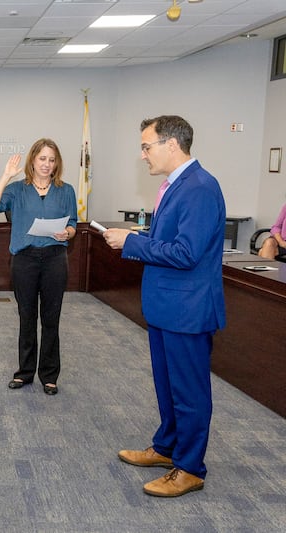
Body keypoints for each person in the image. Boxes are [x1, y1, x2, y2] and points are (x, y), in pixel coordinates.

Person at [103, 115, 225, 498]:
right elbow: (173, 241)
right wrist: (137, 238)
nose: (142, 155)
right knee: (168, 387)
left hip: (187, 311)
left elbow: (187, 253)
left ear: (172, 145)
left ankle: (189, 468)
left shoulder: (201, 188)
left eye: (146, 146)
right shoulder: (176, 186)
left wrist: (131, 242)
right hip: (167, 308)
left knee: (189, 393)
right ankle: (167, 448)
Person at [0, 140, 77, 396]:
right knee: (27, 318)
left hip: (56, 259)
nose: (47, 164)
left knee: (51, 319)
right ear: (33, 160)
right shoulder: (17, 189)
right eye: (42, 159)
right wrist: (5, 176)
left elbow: (74, 223)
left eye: (52, 160)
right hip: (24, 260)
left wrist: (67, 233)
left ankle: (49, 375)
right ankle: (24, 372)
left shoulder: (66, 190)